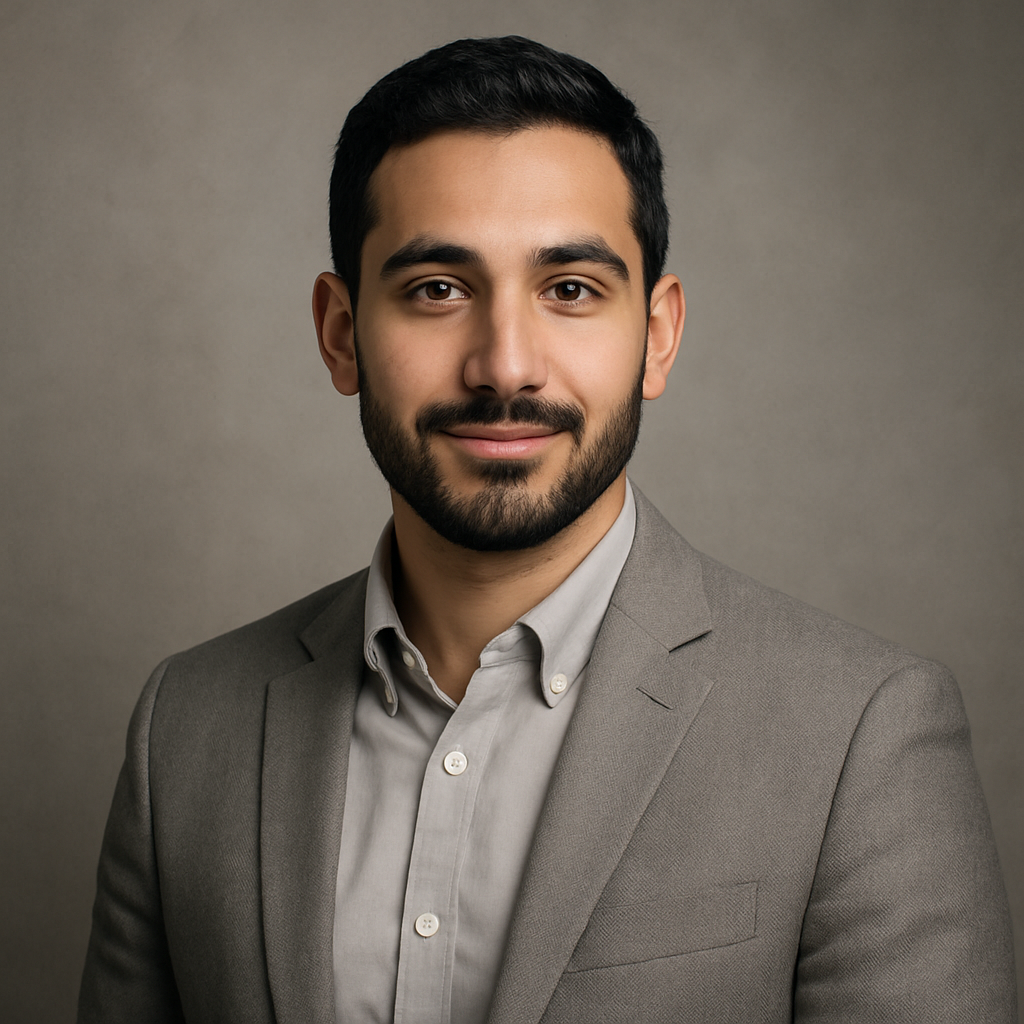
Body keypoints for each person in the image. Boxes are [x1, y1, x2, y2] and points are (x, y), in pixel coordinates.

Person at [77, 35, 1016, 1024]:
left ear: (655, 335)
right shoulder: (186, 728)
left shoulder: (859, 735)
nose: (505, 365)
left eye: (569, 289)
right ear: (341, 332)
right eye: (437, 289)